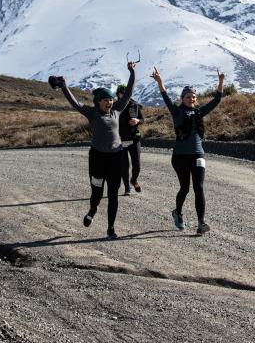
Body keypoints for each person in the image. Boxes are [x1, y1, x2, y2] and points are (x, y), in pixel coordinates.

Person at [55, 61, 136, 240]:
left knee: (113, 194)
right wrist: (64, 86)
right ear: (98, 102)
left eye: (111, 99)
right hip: (97, 159)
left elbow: (129, 92)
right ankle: (92, 209)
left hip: (116, 157)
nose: (110, 102)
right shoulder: (92, 113)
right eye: (106, 100)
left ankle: (111, 229)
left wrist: (131, 72)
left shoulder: (116, 111)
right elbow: (74, 103)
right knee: (97, 194)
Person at [151, 67, 224, 236]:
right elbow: (165, 97)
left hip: (198, 155)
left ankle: (201, 223)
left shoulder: (199, 112)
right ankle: (178, 212)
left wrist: (221, 82)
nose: (191, 99)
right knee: (184, 188)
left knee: (198, 187)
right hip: (180, 157)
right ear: (182, 98)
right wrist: (160, 82)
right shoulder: (177, 111)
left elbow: (216, 100)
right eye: (188, 97)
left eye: (193, 97)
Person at [116, 83, 144, 195]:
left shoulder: (134, 105)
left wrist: (138, 121)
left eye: (126, 92)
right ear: (118, 94)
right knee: (124, 166)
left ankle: (134, 180)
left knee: (137, 165)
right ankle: (127, 188)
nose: (124, 95)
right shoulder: (115, 106)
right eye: (122, 93)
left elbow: (142, 119)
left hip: (134, 139)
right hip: (120, 141)